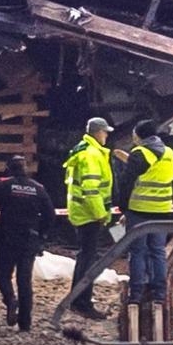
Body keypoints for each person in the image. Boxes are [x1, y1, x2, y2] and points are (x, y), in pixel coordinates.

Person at [0, 156, 55, 331]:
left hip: (6, 237)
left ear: (9, 169)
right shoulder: (38, 188)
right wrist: (41, 236)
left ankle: (10, 300)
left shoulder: (4, 185)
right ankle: (25, 323)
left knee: (3, 276)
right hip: (29, 239)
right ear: (26, 169)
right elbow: (50, 215)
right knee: (24, 281)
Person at [117, 120, 173, 304]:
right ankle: (159, 293)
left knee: (138, 251)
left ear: (139, 135)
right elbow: (169, 175)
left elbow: (126, 181)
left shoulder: (140, 153)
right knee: (158, 251)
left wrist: (123, 207)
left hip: (140, 210)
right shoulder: (168, 152)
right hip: (162, 209)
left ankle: (136, 293)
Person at [64, 117, 115, 320]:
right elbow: (91, 189)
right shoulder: (92, 155)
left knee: (85, 256)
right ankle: (82, 301)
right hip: (89, 214)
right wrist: (100, 214)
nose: (107, 135)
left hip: (83, 212)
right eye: (105, 132)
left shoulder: (84, 150)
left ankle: (79, 299)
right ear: (97, 132)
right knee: (88, 259)